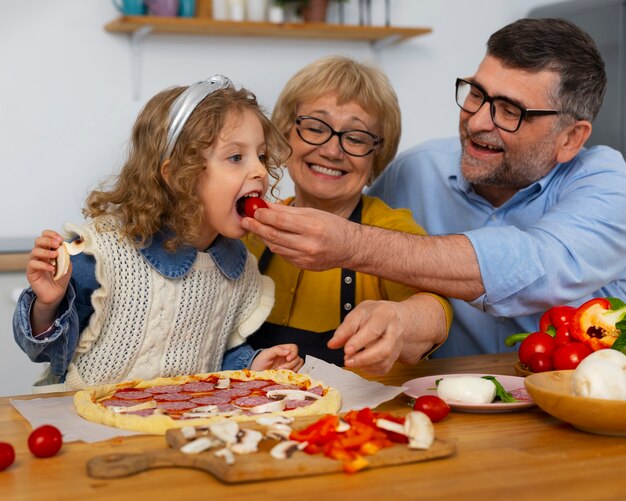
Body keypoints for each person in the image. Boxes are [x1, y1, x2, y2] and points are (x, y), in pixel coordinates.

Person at [242, 18, 626, 358]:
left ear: (570, 139)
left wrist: (351, 245)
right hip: (451, 406)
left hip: (569, 401)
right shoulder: (416, 170)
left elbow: (535, 265)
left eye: (510, 111)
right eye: (476, 94)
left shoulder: (605, 182)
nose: (477, 122)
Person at [13, 75, 303, 391]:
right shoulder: (102, 253)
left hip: (172, 425)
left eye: (260, 156)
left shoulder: (239, 268)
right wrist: (46, 306)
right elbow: (45, 352)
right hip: (88, 421)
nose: (260, 170)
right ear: (178, 175)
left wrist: (252, 365)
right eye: (236, 157)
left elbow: (212, 358)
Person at [244, 56, 451, 374]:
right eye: (315, 127)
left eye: (355, 137)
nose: (332, 150)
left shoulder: (392, 229)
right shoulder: (251, 226)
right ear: (286, 137)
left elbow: (435, 312)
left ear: (376, 157)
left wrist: (400, 320)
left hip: (358, 418)